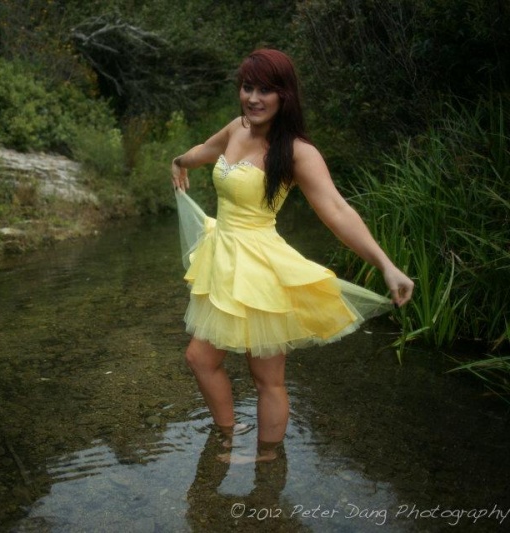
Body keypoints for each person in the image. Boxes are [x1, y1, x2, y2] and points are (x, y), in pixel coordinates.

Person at [170, 49, 414, 461]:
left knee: (266, 376)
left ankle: (266, 459)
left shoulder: (298, 152)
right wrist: (180, 162)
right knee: (199, 357)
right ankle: (228, 436)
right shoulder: (237, 129)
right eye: (248, 87)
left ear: (285, 95)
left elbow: (338, 212)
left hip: (260, 265)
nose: (254, 98)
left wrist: (385, 264)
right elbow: (204, 151)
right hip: (224, 256)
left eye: (266, 89)